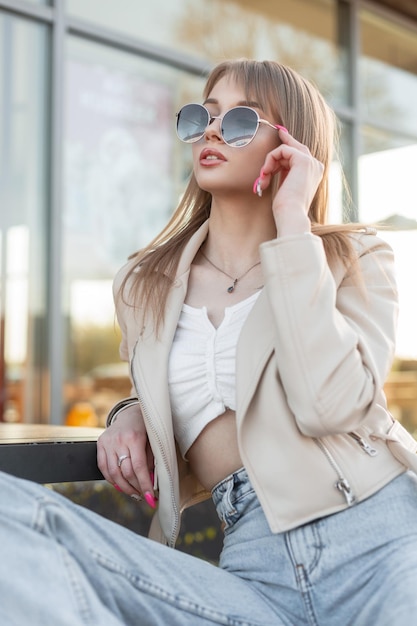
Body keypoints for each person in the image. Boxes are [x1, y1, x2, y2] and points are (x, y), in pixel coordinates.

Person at [1, 58, 417, 626]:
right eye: (202, 117)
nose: (212, 132)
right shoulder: (142, 285)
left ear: (291, 144)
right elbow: (174, 392)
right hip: (256, 572)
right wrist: (131, 411)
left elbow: (332, 405)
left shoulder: (353, 259)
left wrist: (294, 220)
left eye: (241, 120)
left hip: (382, 539)